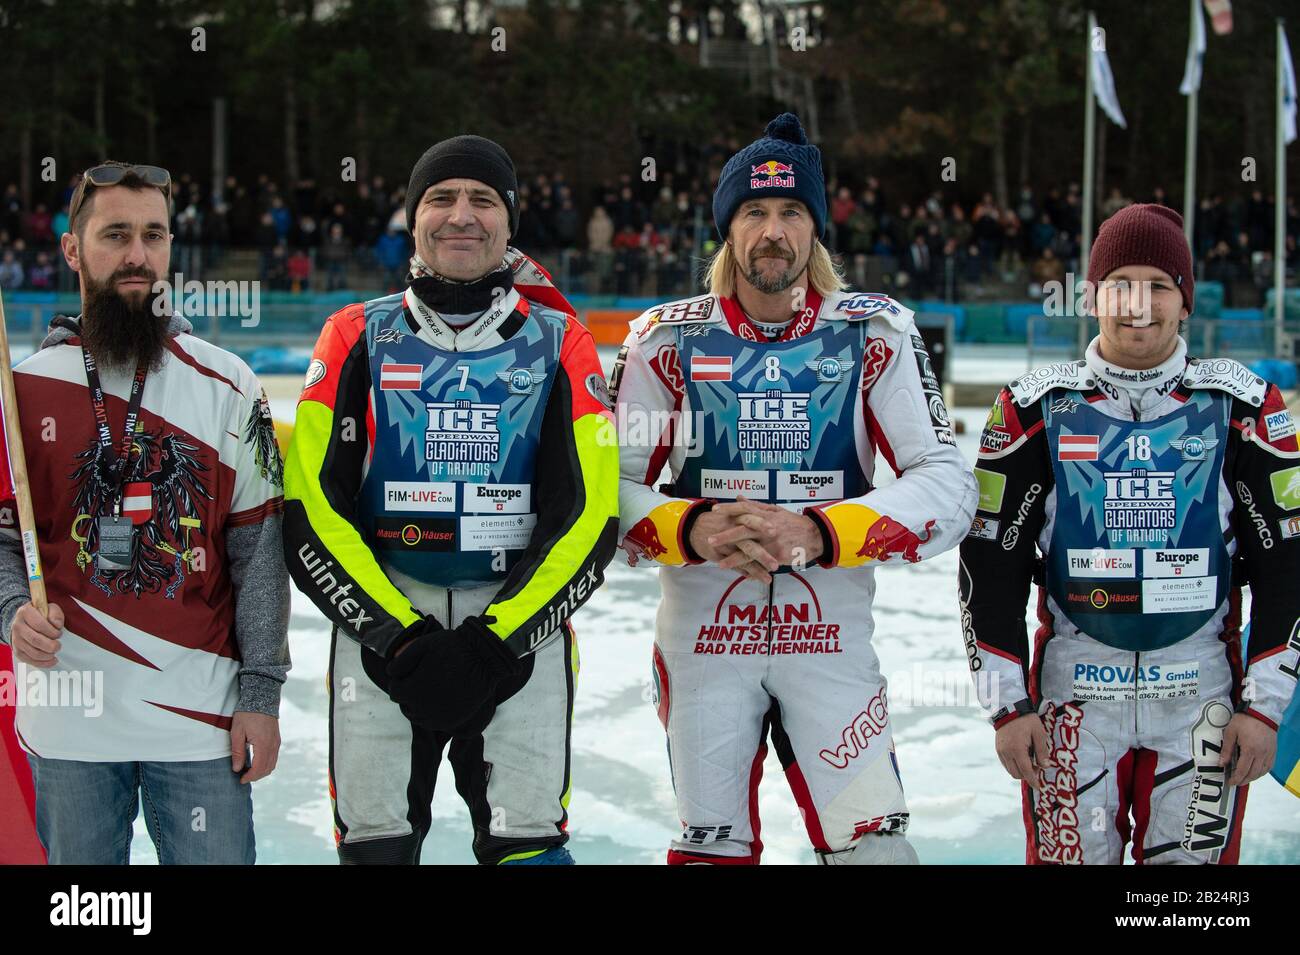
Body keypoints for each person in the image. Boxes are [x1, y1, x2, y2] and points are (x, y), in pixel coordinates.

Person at [613, 114, 978, 865]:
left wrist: (819, 531)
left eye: (790, 212)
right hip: (704, 636)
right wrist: (694, 528)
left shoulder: (874, 332)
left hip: (832, 637)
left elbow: (948, 486)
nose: (772, 231)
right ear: (727, 229)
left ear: (814, 229)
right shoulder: (663, 337)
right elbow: (598, 491)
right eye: (753, 212)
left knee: (878, 850)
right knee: (708, 849)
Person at [282, 135, 619, 865]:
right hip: (380, 633)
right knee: (376, 847)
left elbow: (590, 516)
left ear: (510, 221)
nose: (460, 215)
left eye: (482, 200)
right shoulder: (354, 334)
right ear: (412, 216)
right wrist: (397, 637)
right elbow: (311, 508)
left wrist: (497, 643)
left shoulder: (562, 341)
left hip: (517, 632)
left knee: (526, 843)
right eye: (440, 197)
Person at [959, 203, 1300, 864]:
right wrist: (1007, 708)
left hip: (1202, 697)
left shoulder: (1245, 409)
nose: (1138, 303)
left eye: (1159, 284)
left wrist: (1264, 710)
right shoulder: (1032, 409)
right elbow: (989, 565)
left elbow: (1287, 566)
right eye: (1120, 283)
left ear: (1186, 301)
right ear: (1091, 296)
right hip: (1073, 696)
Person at [0, 161, 290, 864]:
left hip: (200, 724)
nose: (137, 255)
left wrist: (261, 693)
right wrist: (12, 606)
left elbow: (261, 553)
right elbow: (3, 540)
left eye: (153, 235)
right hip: (69, 728)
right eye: (116, 234)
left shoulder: (228, 382)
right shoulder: (23, 393)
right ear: (73, 249)